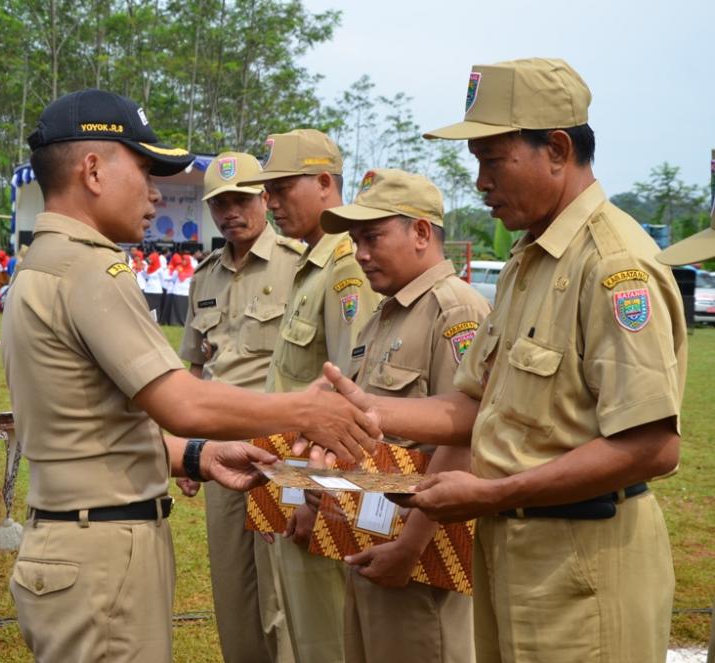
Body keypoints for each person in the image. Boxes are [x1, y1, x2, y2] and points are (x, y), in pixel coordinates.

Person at [317, 58, 686, 663]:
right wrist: (371, 410)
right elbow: (475, 403)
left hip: (585, 561)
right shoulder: (528, 262)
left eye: (493, 160)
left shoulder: (614, 267)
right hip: (513, 551)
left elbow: (651, 444)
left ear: (558, 149)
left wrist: (491, 493)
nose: (480, 181)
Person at [0, 88, 380, 663]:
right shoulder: (90, 269)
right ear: (94, 171)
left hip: (78, 536)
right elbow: (182, 400)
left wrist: (195, 457)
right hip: (103, 551)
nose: (154, 192)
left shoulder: (43, 263)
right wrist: (306, 410)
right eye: (145, 169)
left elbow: (95, 418)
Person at [319, 168, 489, 663]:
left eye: (372, 237)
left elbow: (464, 435)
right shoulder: (386, 313)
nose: (361, 253)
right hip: (370, 532)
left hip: (420, 550)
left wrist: (411, 548)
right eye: (355, 240)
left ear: (420, 232)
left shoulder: (455, 311)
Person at [236, 129, 381, 663]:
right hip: (292, 483)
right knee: (300, 629)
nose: (270, 202)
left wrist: (312, 498)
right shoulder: (311, 264)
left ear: (324, 183)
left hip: (319, 495)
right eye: (266, 191)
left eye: (280, 188)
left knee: (326, 639)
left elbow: (349, 400)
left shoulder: (345, 268)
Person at [177, 151, 304, 663]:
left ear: (265, 199)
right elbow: (193, 368)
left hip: (280, 448)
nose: (231, 211)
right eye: (220, 203)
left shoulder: (299, 266)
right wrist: (186, 446)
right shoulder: (203, 276)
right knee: (232, 585)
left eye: (241, 199)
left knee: (283, 588)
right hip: (218, 448)